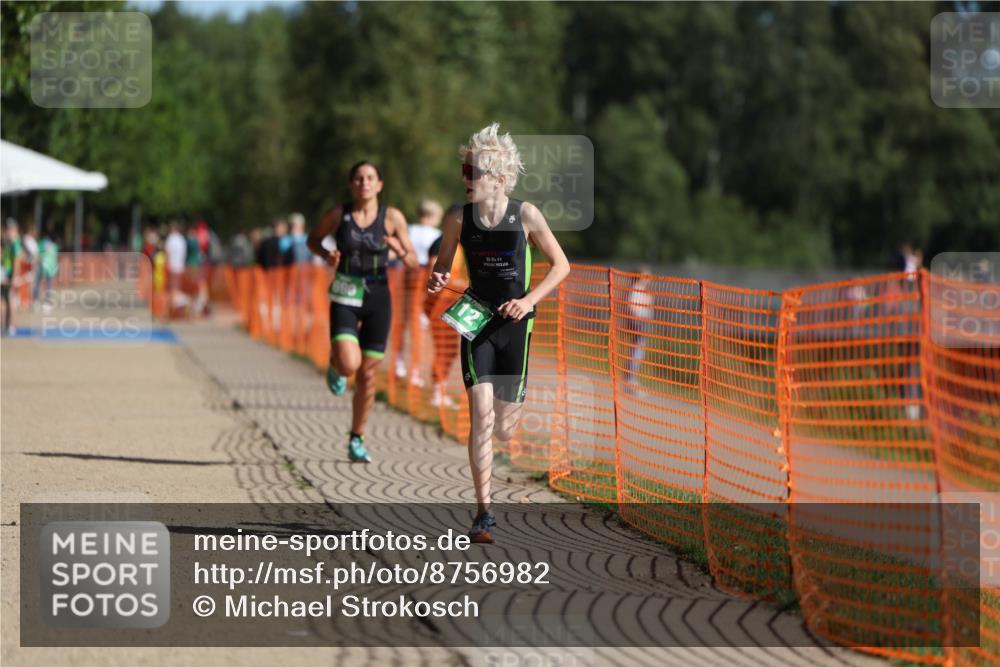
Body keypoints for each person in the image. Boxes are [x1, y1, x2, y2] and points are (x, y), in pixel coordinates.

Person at [427, 123, 570, 543]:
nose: (466, 179)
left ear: (500, 179)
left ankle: (513, 411)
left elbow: (561, 266)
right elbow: (442, 265)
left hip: (516, 326)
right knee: (481, 415)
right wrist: (438, 278)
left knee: (505, 427)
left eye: (475, 172)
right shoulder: (458, 217)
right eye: (465, 171)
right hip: (476, 322)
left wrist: (528, 302)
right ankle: (483, 512)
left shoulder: (525, 215)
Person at [308, 161, 418, 463]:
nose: (364, 183)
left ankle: (357, 437)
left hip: (378, 297)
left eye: (370, 178)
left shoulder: (392, 217)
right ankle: (336, 364)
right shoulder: (338, 214)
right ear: (350, 184)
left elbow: (413, 261)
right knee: (349, 364)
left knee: (368, 376)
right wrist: (325, 254)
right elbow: (312, 239)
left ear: (379, 184)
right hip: (345, 291)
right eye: (358, 178)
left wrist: (400, 249)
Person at [392, 199, 444, 382]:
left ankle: (399, 362)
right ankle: (414, 370)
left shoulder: (410, 231)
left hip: (408, 276)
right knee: (419, 326)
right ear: (432, 216)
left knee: (403, 322)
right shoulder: (438, 235)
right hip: (425, 279)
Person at [424, 204, 468, 408]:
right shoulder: (441, 243)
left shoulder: (464, 244)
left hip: (456, 304)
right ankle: (436, 391)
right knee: (443, 348)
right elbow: (433, 272)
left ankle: (440, 390)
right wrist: (462, 285)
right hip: (439, 305)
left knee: (450, 350)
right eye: (457, 219)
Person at [621, 267, 655, 392]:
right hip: (638, 322)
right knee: (637, 350)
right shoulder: (635, 290)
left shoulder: (640, 290)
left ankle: (630, 378)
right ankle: (630, 379)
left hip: (640, 322)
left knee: (637, 349)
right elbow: (632, 307)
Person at [1, 220, 22, 336]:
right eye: (7, 229)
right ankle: (5, 325)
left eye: (10, 229)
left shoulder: (15, 243)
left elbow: (17, 261)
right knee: (4, 300)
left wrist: (14, 277)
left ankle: (10, 326)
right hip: (5, 274)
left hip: (10, 275)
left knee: (9, 300)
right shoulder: (8, 243)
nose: (8, 231)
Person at [164, 220, 188, 316]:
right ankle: (179, 309)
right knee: (177, 288)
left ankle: (173, 309)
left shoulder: (171, 238)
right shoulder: (182, 239)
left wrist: (167, 264)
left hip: (172, 266)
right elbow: (184, 253)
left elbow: (167, 252)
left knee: (172, 288)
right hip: (180, 266)